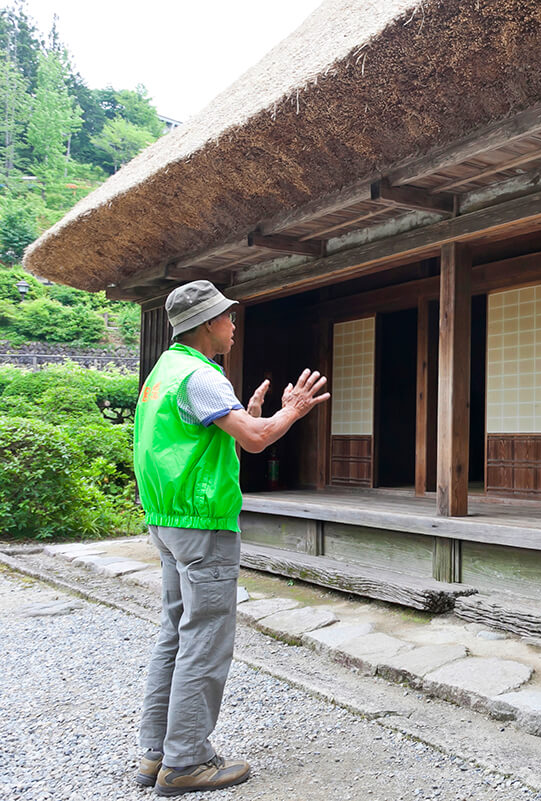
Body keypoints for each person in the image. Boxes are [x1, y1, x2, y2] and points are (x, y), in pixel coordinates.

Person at [133, 280, 329, 796]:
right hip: (203, 526)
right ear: (205, 324)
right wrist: (293, 411)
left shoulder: (163, 374)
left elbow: (205, 445)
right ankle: (188, 761)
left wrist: (252, 418)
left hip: (167, 520)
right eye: (227, 316)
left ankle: (157, 754)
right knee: (205, 638)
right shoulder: (202, 375)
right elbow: (257, 439)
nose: (234, 325)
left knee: (175, 632)